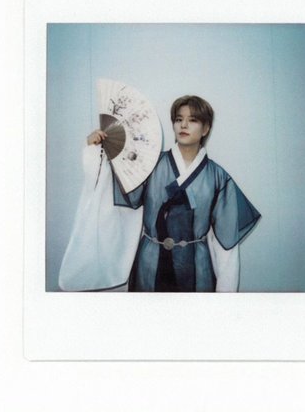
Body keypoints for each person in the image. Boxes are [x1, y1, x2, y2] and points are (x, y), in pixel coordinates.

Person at [59, 95, 260, 292]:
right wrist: (96, 151)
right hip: (149, 263)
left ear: (206, 128)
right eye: (178, 119)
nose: (183, 125)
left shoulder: (218, 177)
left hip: (197, 268)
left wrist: (226, 295)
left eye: (193, 120)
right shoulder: (149, 165)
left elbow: (226, 243)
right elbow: (113, 187)